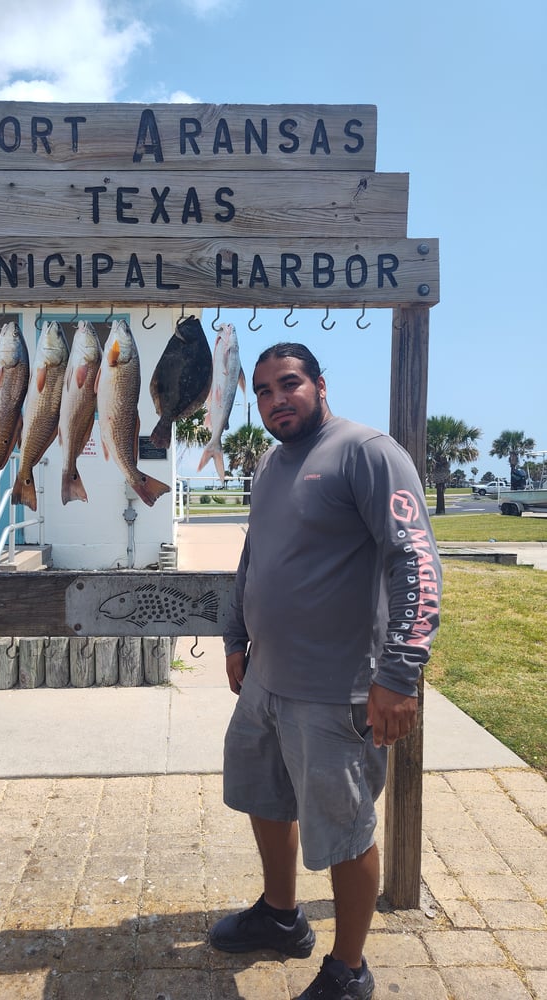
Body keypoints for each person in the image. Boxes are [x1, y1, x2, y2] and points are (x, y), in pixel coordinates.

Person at [210, 343, 442, 1000]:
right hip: (265, 682)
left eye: (288, 384)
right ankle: (282, 917)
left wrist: (399, 674)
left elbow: (416, 563)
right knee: (263, 798)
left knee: (343, 830)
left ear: (319, 383)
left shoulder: (367, 452)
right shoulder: (270, 463)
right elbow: (254, 555)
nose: (275, 400)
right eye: (262, 391)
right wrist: (235, 634)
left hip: (335, 691)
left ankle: (349, 967)